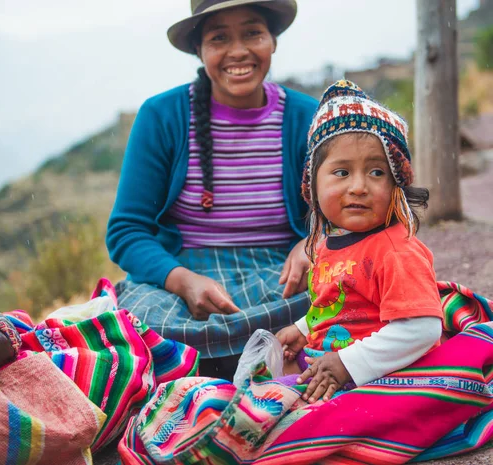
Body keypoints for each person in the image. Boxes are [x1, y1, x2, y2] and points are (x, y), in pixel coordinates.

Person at [106, 0, 318, 378]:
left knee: (343, 296)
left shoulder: (306, 117)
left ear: (273, 41)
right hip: (185, 278)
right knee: (142, 320)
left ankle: (214, 367)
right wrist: (182, 280)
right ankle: (256, 364)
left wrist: (313, 242)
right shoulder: (163, 116)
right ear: (199, 51)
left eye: (253, 33)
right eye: (219, 38)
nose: (238, 51)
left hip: (282, 277)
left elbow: (347, 208)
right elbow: (127, 231)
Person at [276, 80, 443, 403]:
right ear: (312, 185)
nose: (358, 187)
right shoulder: (327, 244)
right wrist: (301, 328)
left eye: (377, 173)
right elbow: (336, 303)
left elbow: (422, 329)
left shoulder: (395, 251)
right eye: (341, 172)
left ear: (398, 183)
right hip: (332, 364)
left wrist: (347, 364)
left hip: (374, 377)